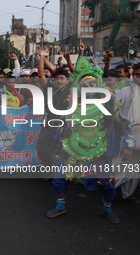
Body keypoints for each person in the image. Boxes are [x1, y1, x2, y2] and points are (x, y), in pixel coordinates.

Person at [46, 56, 122, 224]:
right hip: (74, 147)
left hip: (98, 149)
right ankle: (60, 205)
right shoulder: (73, 105)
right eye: (84, 84)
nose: (88, 87)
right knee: (59, 176)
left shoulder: (108, 104)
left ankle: (107, 208)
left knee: (107, 181)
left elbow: (119, 125)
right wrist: (65, 132)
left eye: (91, 84)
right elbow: (66, 125)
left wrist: (126, 142)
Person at [36, 48, 71, 181]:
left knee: (65, 152)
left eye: (62, 79)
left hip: (64, 127)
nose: (59, 81)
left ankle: (63, 175)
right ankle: (51, 169)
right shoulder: (50, 88)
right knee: (41, 149)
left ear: (67, 80)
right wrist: (42, 57)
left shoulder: (71, 89)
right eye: (57, 79)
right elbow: (40, 75)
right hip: (48, 125)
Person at [113, 63, 140, 203]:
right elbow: (114, 114)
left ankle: (127, 194)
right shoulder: (124, 92)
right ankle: (107, 200)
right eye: (135, 74)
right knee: (120, 167)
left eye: (139, 75)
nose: (136, 78)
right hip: (124, 137)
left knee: (135, 168)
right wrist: (125, 141)